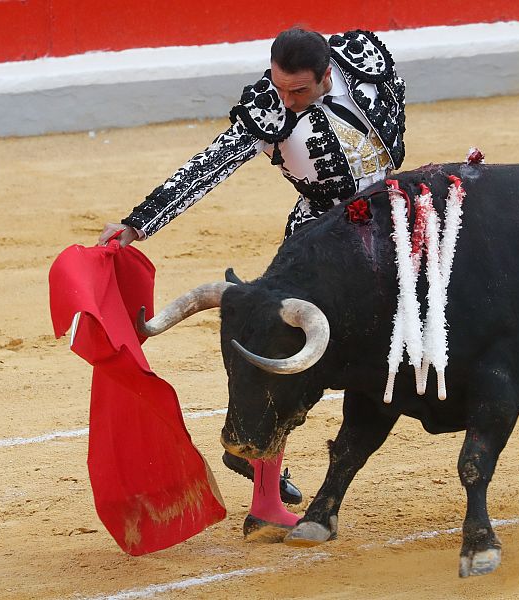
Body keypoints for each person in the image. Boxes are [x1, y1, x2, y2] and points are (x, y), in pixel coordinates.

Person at [98, 27, 407, 542]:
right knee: (282, 355)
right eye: (279, 87)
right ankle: (264, 499)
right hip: (318, 244)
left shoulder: (366, 57)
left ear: (327, 72)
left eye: (298, 92)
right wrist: (138, 224)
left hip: (389, 232)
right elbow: (210, 165)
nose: (285, 100)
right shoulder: (269, 105)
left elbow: (395, 124)